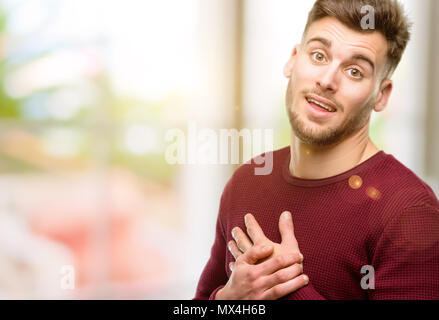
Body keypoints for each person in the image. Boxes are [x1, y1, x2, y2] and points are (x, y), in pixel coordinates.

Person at [194, 0, 439, 300]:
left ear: (382, 95)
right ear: (294, 59)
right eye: (319, 55)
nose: (326, 81)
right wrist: (229, 299)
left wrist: (288, 286)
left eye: (354, 71)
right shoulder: (245, 181)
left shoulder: (410, 211)